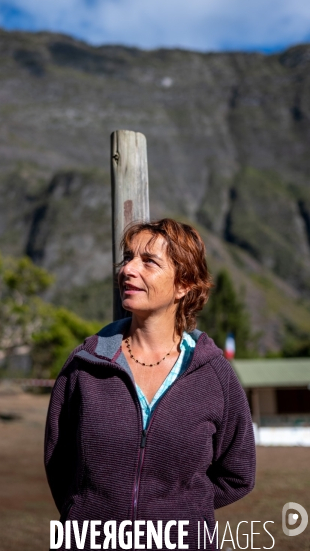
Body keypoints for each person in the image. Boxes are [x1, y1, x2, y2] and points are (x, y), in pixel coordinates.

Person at [44, 218, 256, 550]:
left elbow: (237, 474)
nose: (128, 270)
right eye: (127, 258)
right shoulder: (85, 364)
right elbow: (59, 462)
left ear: (184, 283)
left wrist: (180, 514)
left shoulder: (215, 375)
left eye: (148, 262)